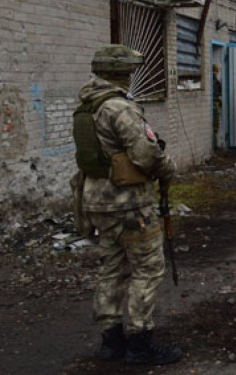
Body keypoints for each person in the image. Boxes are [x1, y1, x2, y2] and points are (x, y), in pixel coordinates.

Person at [72, 44, 181, 365]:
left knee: (112, 268)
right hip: (129, 203)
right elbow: (145, 154)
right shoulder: (120, 108)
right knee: (146, 270)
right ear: (123, 73)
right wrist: (168, 168)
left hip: (96, 201)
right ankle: (140, 343)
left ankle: (111, 341)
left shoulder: (86, 105)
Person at [212, 63, 222, 146]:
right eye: (214, 71)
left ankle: (215, 145)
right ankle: (214, 145)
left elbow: (219, 93)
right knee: (214, 126)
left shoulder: (217, 82)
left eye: (216, 72)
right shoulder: (212, 81)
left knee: (216, 126)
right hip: (213, 104)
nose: (215, 73)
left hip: (216, 103)